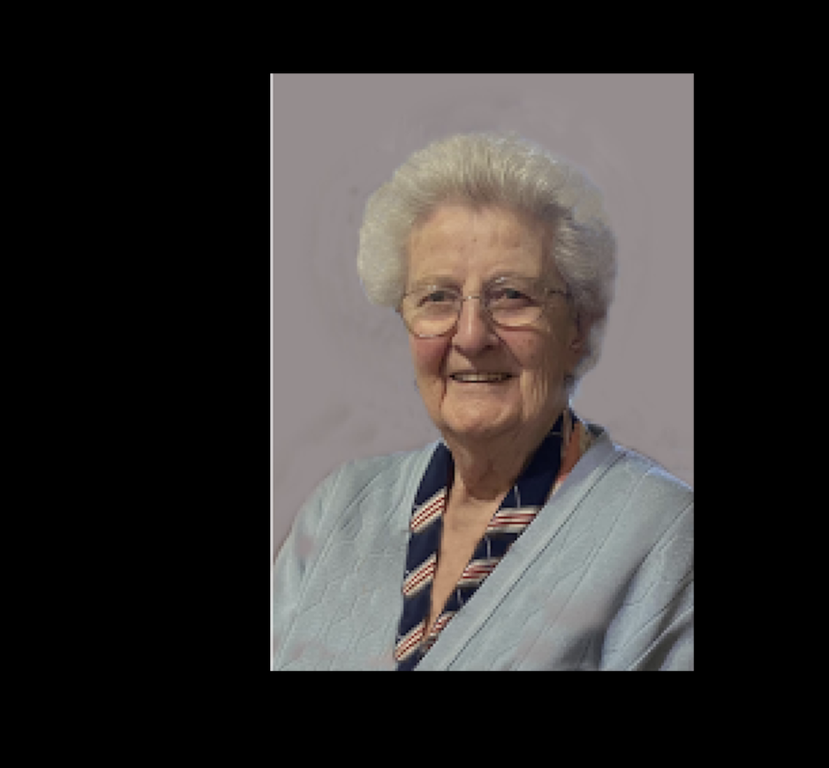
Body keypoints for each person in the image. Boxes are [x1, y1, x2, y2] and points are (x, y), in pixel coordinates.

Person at [272, 131, 693, 670]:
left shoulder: (661, 534)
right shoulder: (341, 507)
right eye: (437, 297)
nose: (471, 336)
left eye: (512, 295)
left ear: (578, 328)